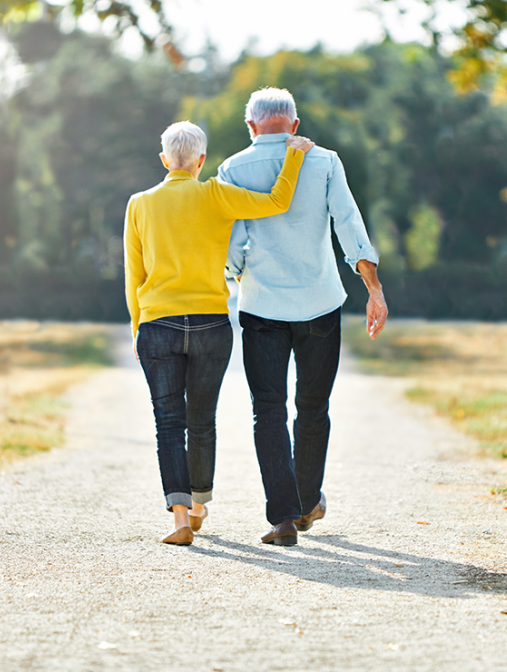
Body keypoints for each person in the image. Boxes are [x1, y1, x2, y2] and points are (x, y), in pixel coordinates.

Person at [124, 120, 314, 546]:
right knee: (202, 420)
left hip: (158, 324)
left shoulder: (140, 204)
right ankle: (198, 504)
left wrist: (138, 327)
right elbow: (278, 201)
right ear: (201, 160)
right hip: (211, 323)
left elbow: (133, 275)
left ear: (164, 160)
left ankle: (180, 521)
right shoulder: (215, 194)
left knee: (168, 424)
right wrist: (295, 154)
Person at [219, 88, 387, 547]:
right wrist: (373, 288)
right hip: (319, 303)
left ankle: (283, 518)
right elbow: (348, 223)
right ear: (294, 126)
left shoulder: (233, 168)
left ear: (251, 127)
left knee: (267, 411)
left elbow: (234, 242)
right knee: (313, 408)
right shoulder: (325, 161)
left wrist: (231, 278)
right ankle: (309, 499)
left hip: (261, 308)